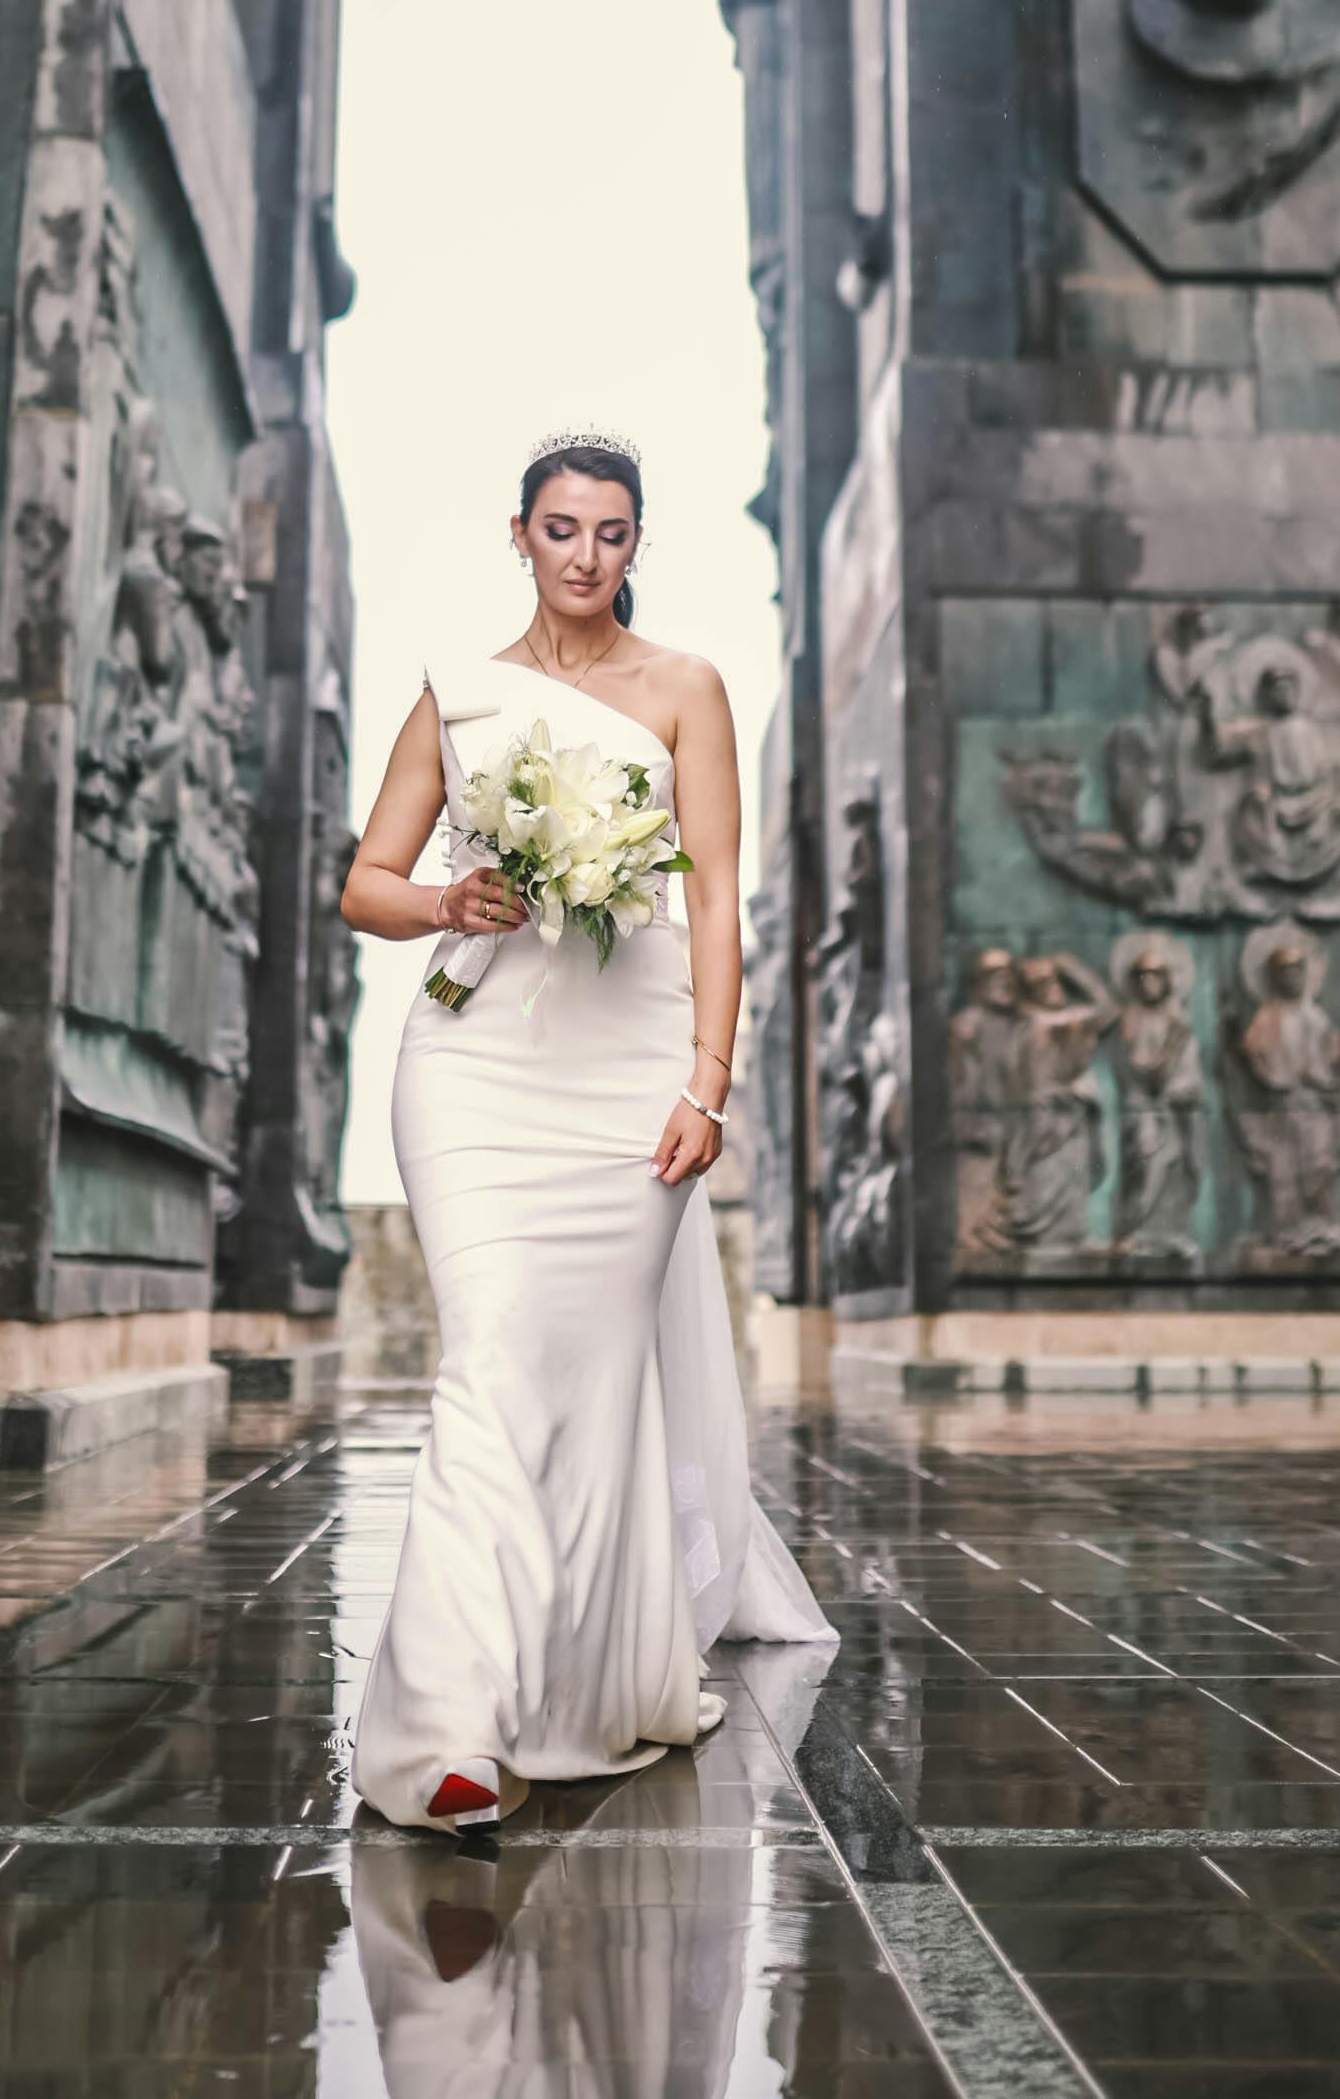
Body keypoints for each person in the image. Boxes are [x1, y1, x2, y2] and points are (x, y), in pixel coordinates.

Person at [342, 431, 835, 1833]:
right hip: (476, 1057)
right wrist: (451, 902)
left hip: (633, 1066)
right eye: (561, 529)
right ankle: (446, 1729)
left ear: (636, 545)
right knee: (491, 1359)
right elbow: (366, 882)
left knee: (597, 1379)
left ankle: (594, 1685)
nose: (585, 555)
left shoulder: (687, 689)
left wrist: (711, 1080)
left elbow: (722, 894)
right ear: (520, 535)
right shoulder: (461, 695)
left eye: (612, 533)